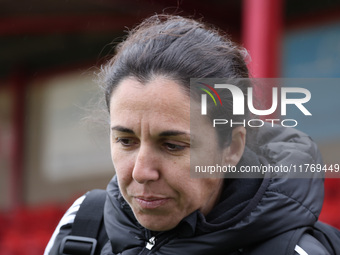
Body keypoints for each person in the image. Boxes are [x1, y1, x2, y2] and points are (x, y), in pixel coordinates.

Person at [45, 14, 339, 255]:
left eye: (173, 145)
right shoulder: (81, 229)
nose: (142, 171)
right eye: (126, 141)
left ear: (232, 148)